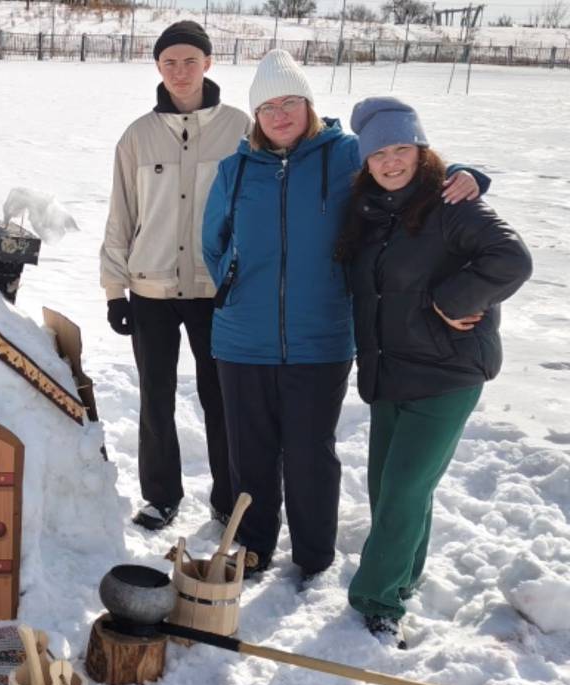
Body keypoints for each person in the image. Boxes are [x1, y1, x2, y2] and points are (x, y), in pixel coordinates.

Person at [201, 49, 482, 582]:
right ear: (255, 117)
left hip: (321, 338)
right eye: (268, 107)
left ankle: (313, 555)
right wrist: (235, 285)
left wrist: (465, 174)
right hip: (241, 339)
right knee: (250, 456)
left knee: (310, 453)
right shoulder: (234, 170)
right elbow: (211, 242)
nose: (280, 115)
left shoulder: (348, 156)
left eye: (290, 103)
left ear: (308, 106)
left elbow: (408, 171)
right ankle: (255, 547)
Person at [335, 98, 532, 647]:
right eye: (379, 152)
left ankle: (377, 602)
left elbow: (511, 259)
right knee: (391, 488)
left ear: (422, 152)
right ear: (366, 161)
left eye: (402, 148)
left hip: (446, 374)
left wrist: (453, 299)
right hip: (389, 370)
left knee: (402, 490)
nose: (391, 161)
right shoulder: (370, 210)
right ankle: (404, 578)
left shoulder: (451, 202)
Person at [100, 20, 250, 531]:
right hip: (151, 290)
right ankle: (160, 495)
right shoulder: (138, 137)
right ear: (157, 67)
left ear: (208, 63)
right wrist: (114, 289)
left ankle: (228, 496)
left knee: (220, 395)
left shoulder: (240, 129)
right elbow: (121, 214)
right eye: (170, 62)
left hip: (217, 291)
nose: (180, 72)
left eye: (190, 61)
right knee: (155, 397)